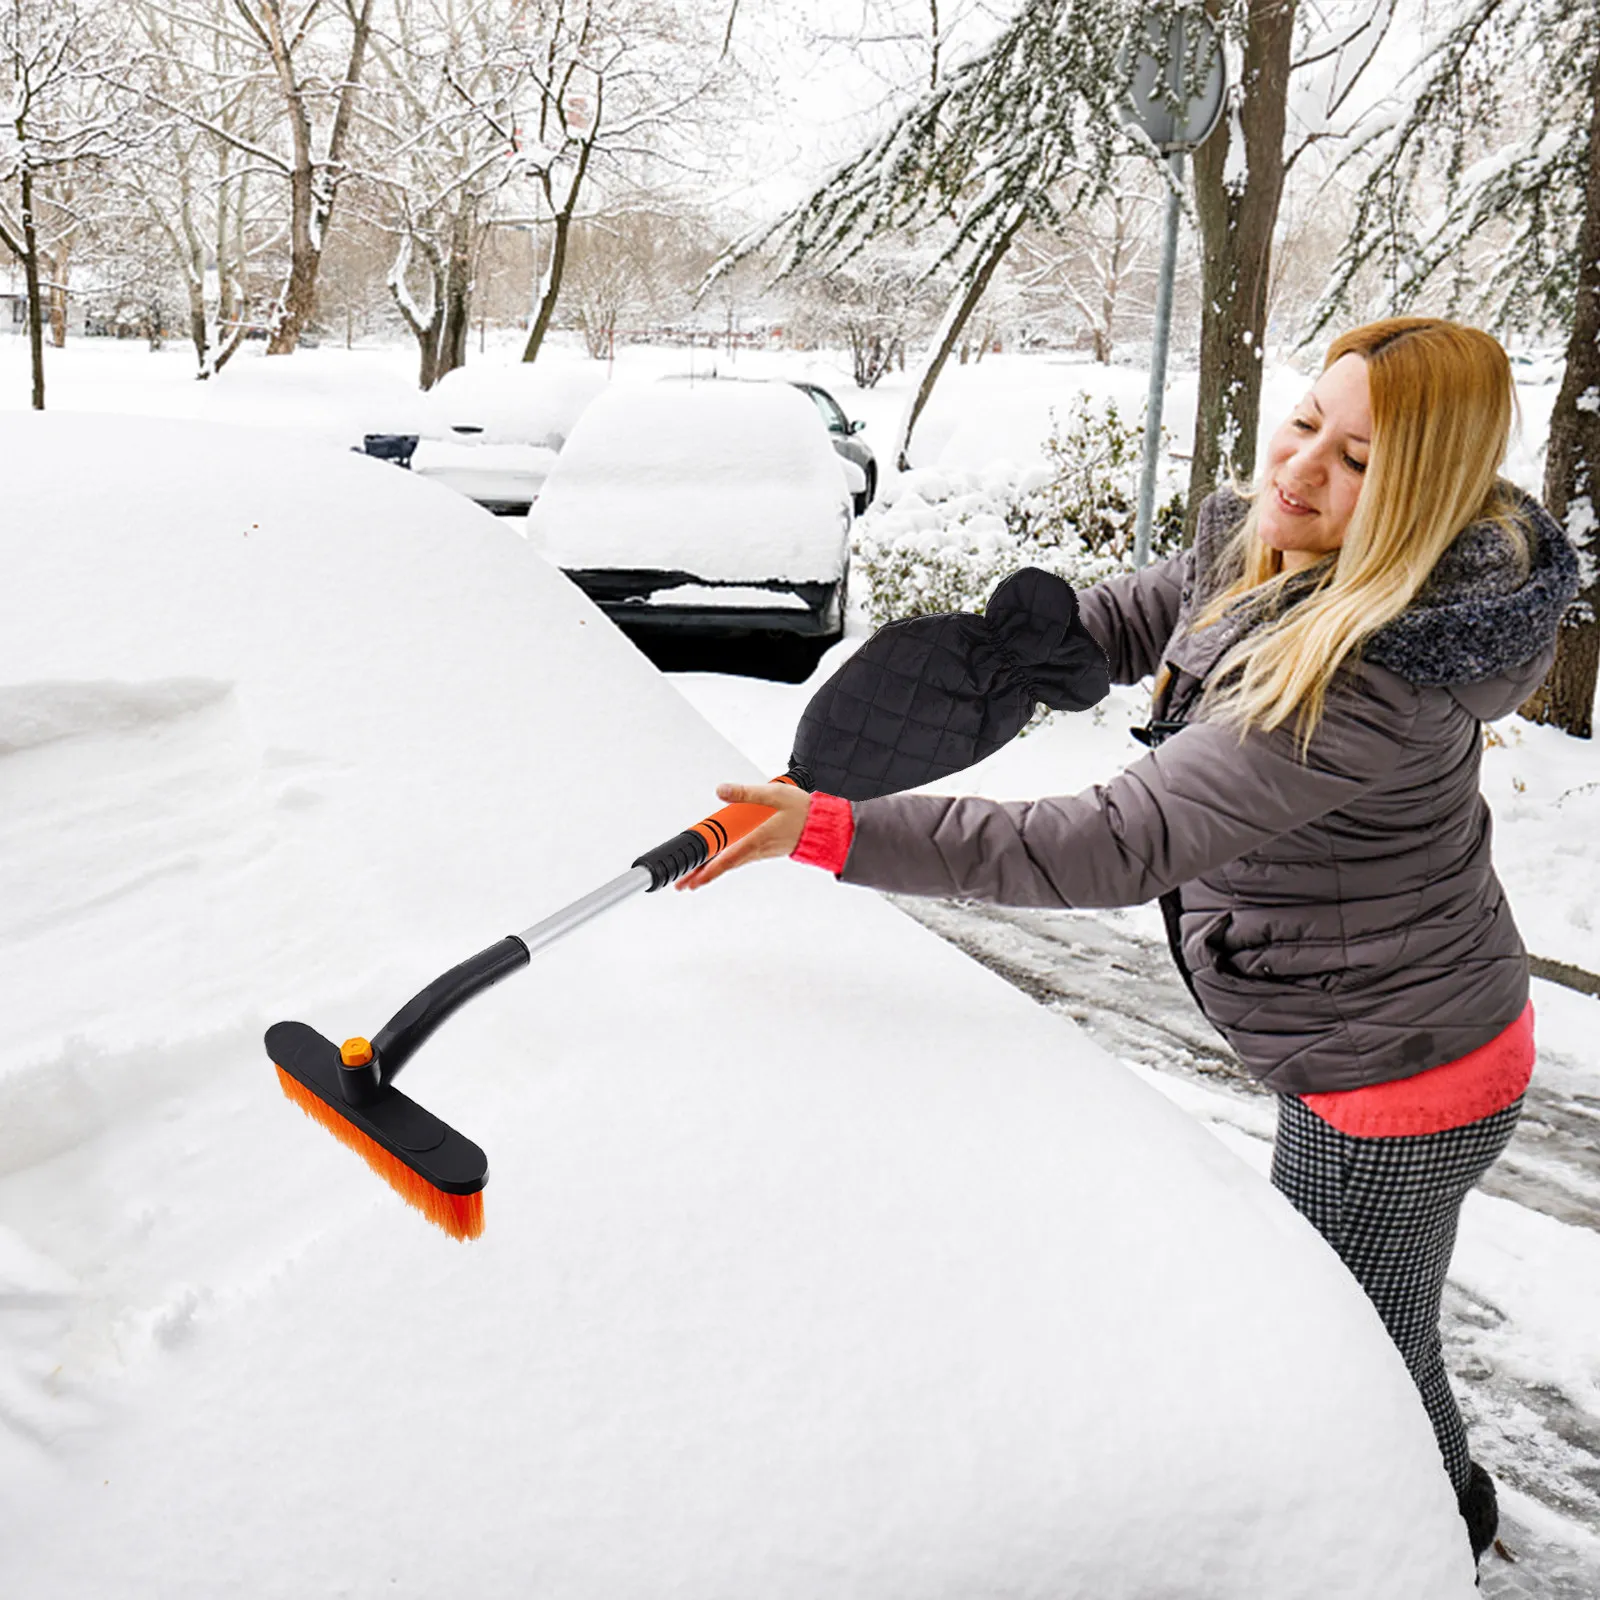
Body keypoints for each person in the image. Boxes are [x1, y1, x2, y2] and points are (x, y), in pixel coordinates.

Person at [675, 317, 1581, 1569]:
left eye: (1359, 458)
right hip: (1383, 1017)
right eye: (1306, 420)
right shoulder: (1279, 550)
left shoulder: (1367, 684)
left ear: (1422, 490)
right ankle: (1427, 1502)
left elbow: (1107, 842)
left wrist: (829, 831)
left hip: (1402, 1070)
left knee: (1354, 1342)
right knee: (1359, 1316)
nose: (1302, 467)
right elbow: (1130, 619)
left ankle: (1421, 1532)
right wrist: (1003, 660)